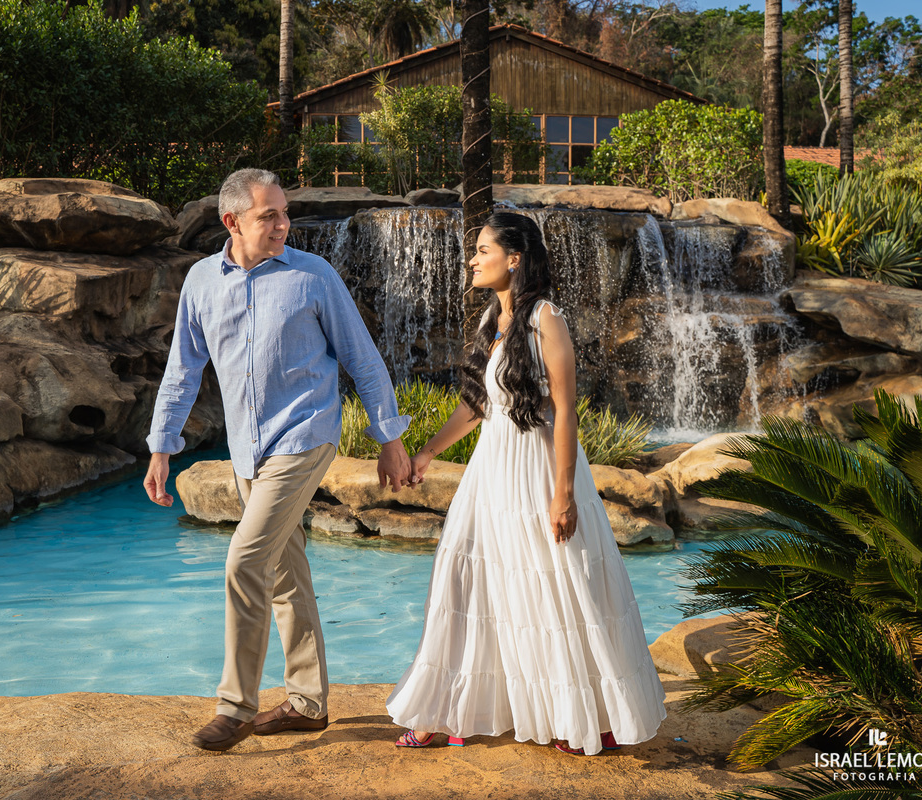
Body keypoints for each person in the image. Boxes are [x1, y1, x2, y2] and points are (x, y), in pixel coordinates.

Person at [143, 168, 412, 752]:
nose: (283, 225)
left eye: (284, 213)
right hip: (246, 447)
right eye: (270, 216)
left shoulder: (313, 277)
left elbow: (362, 358)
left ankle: (235, 707)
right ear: (231, 221)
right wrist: (162, 445)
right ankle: (309, 702)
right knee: (286, 572)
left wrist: (389, 437)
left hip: (304, 437)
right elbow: (183, 369)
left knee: (243, 559)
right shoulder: (200, 281)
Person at [386, 212, 666, 754]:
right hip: (491, 472)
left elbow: (564, 411)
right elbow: (479, 406)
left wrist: (563, 494)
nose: (472, 259)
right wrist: (426, 452)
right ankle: (445, 707)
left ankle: (583, 716)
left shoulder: (545, 318)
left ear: (513, 258)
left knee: (556, 587)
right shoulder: (494, 317)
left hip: (537, 474)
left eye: (482, 250)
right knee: (466, 582)